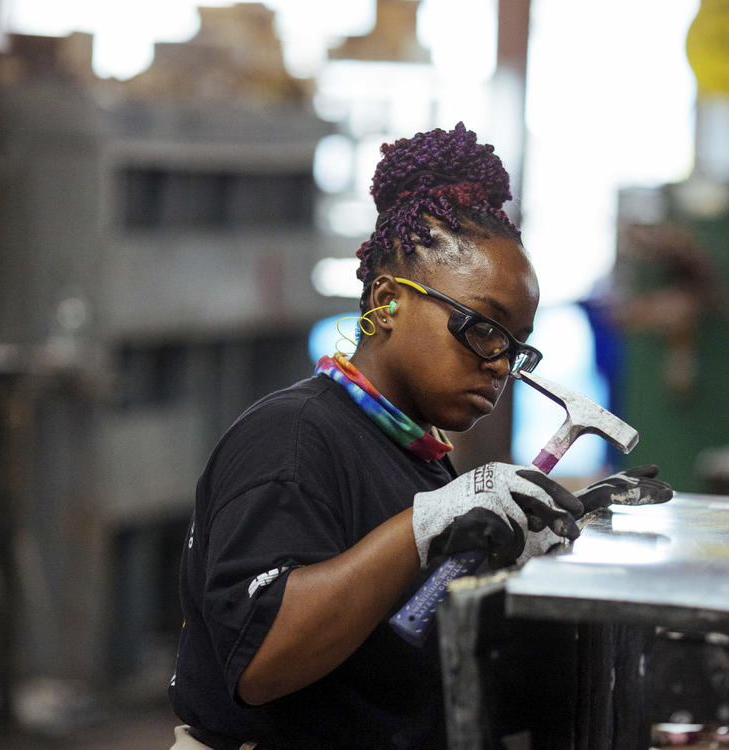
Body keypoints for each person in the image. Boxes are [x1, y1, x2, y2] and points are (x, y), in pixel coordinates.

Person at [167, 122, 671, 750]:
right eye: (483, 326)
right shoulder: (292, 438)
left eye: (515, 348)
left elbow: (410, 626)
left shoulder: (418, 461)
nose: (498, 363)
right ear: (388, 300)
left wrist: (528, 562)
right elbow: (262, 662)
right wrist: (421, 527)